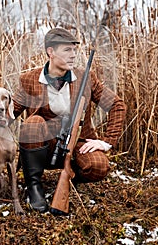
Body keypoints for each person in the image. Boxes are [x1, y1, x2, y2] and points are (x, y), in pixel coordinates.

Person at [12, 27, 126, 214]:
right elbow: (12, 111)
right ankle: (33, 185)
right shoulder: (30, 79)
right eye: (67, 50)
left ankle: (68, 176)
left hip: (75, 145)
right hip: (44, 147)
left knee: (98, 166)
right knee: (32, 124)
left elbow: (117, 105)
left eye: (74, 50)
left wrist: (106, 142)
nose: (73, 55)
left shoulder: (86, 77)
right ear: (51, 52)